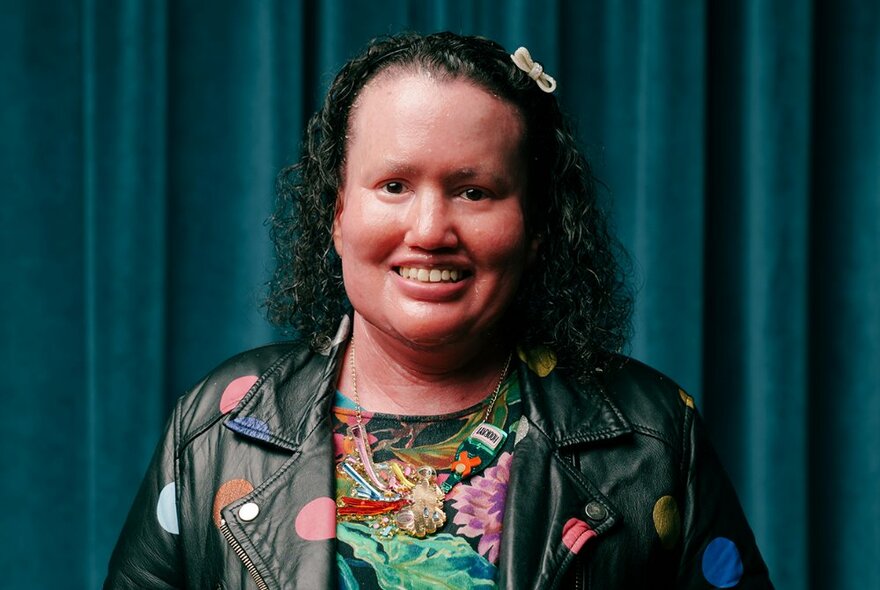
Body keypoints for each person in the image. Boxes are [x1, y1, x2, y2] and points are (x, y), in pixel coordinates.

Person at [105, 32, 773, 589]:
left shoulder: (652, 434)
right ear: (337, 212)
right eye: (394, 185)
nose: (429, 229)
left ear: (536, 225)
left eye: (474, 191)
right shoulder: (222, 426)